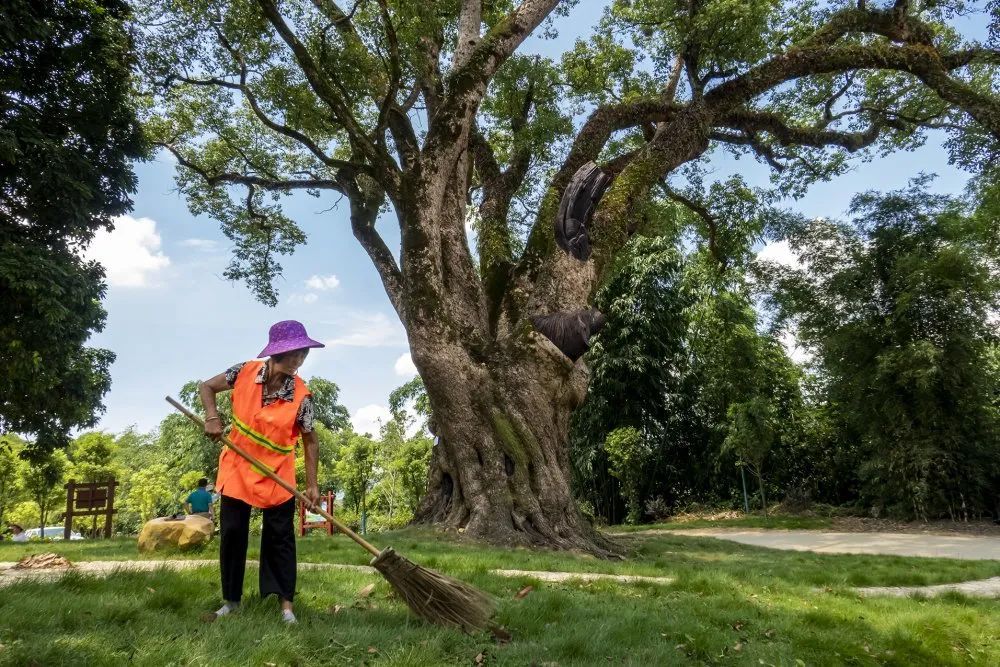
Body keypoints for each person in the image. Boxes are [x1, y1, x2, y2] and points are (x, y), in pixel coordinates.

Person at [199, 320, 322, 625]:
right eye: (295, 354)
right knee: (232, 532)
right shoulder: (243, 372)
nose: (300, 360)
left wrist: (312, 485)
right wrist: (212, 417)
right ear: (278, 353)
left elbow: (310, 440)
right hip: (238, 466)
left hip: (276, 471)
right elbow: (207, 386)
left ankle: (286, 607)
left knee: (280, 537)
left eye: (303, 354)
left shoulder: (302, 396)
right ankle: (231, 601)